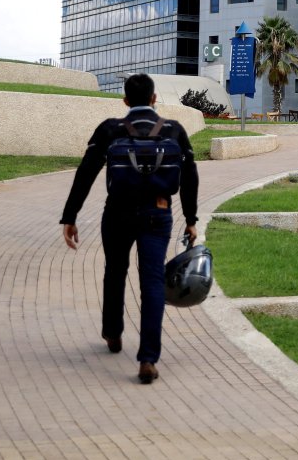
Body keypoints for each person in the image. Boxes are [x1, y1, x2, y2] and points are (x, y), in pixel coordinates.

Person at [61, 73, 199, 385]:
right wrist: (190, 219)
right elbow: (190, 177)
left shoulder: (110, 129)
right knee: (151, 281)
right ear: (154, 99)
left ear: (125, 101)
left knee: (115, 271)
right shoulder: (174, 130)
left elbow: (86, 173)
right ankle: (148, 358)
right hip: (158, 213)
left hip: (117, 213)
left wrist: (70, 216)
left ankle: (113, 332)